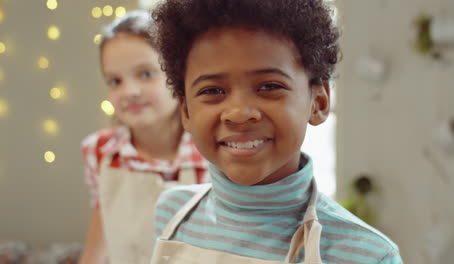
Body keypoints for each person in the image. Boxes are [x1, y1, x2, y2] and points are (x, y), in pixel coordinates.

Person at [148, 0, 404, 263]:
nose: (239, 113)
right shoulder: (173, 212)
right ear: (186, 112)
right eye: (213, 91)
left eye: (269, 86)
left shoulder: (368, 254)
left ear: (319, 102)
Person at [78, 10, 208, 264]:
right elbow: (99, 234)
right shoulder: (101, 152)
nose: (130, 91)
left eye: (146, 74)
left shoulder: (211, 151)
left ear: (178, 75)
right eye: (115, 81)